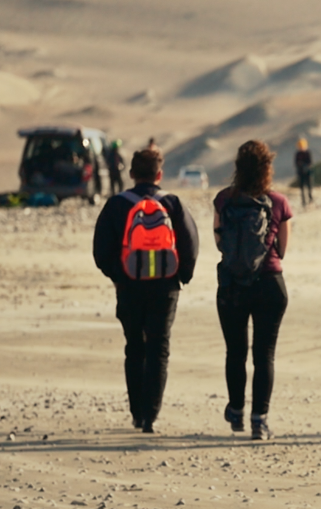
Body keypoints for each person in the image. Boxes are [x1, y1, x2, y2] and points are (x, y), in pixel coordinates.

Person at [92, 148, 199, 434]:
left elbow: (101, 251)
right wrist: (181, 277)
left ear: (131, 174)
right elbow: (190, 245)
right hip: (166, 286)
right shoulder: (172, 203)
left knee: (134, 347)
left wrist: (118, 276)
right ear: (159, 175)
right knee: (158, 347)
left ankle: (137, 414)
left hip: (129, 286)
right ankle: (151, 415)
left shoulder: (117, 204)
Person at [213, 141, 293, 441]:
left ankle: (236, 410)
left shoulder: (223, 199)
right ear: (267, 169)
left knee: (235, 352)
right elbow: (282, 249)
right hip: (270, 283)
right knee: (264, 355)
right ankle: (259, 421)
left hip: (232, 285)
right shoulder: (279, 202)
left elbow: (219, 243)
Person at [294, 138, 313, 207]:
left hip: (308, 172)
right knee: (302, 188)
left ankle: (310, 199)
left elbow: (310, 162)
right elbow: (296, 163)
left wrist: (305, 166)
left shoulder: (307, 153)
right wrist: (301, 166)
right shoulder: (297, 154)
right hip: (301, 173)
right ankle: (303, 201)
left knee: (309, 187)